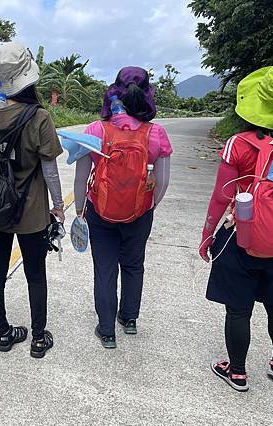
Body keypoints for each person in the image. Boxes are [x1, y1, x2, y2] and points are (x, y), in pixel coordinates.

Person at [199, 64, 273, 392]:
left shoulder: (239, 143)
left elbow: (221, 197)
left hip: (242, 236)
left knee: (238, 308)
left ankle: (237, 372)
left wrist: (208, 235)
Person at [0, 42, 64, 358]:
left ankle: (3, 334)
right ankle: (39, 340)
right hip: (31, 211)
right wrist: (59, 207)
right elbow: (50, 169)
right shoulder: (38, 117)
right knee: (35, 274)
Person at [74, 67, 172, 348]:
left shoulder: (95, 129)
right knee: (133, 264)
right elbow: (163, 181)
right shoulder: (156, 133)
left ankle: (106, 330)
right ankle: (128, 319)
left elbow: (81, 178)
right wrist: (148, 205)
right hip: (139, 212)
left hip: (100, 209)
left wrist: (81, 210)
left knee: (104, 268)